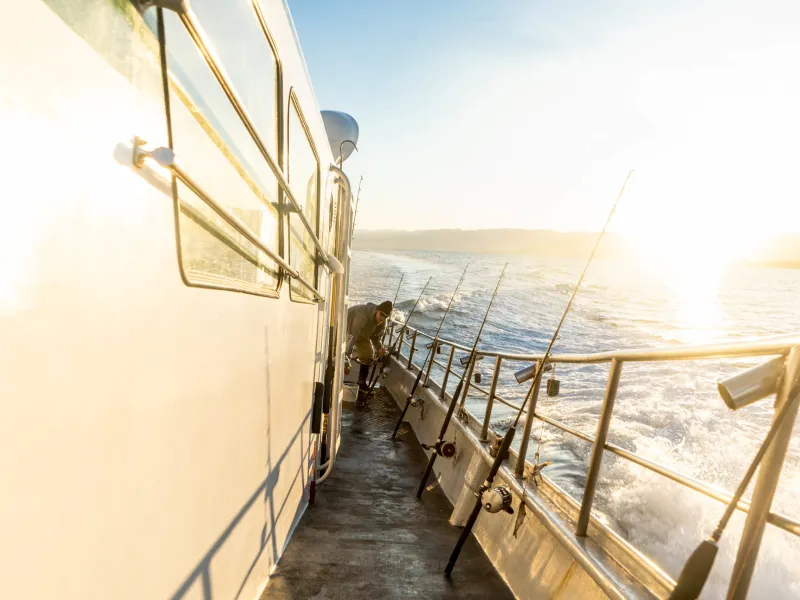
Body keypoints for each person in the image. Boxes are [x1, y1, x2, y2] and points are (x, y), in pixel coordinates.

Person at [346, 299, 393, 404]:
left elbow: (375, 337)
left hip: (362, 335)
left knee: (369, 356)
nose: (382, 318)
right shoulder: (362, 316)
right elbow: (352, 336)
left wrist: (380, 348)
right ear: (377, 310)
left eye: (386, 317)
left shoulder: (382, 321)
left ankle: (361, 383)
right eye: (381, 314)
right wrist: (346, 355)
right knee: (342, 354)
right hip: (347, 328)